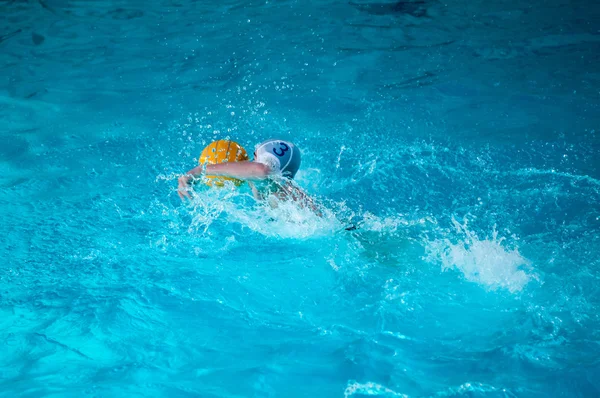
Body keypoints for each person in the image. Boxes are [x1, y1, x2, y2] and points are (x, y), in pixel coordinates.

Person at [178, 139, 322, 216]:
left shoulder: (270, 182)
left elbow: (262, 171)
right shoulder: (286, 191)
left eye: (255, 156)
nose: (250, 162)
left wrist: (200, 170)